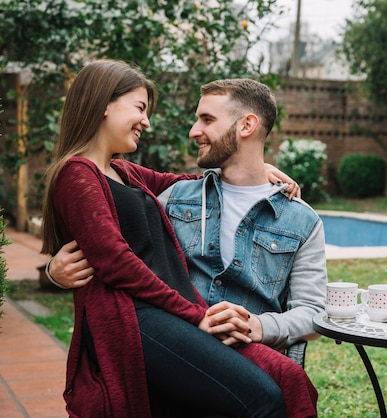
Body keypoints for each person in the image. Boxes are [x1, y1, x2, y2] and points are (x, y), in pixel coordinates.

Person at [40, 59, 317, 418]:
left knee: (288, 376)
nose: (146, 121)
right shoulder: (77, 174)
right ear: (105, 104)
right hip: (138, 317)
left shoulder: (121, 170)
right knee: (262, 397)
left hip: (170, 316)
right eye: (140, 108)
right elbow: (116, 260)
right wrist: (193, 314)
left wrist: (255, 167)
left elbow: (181, 181)